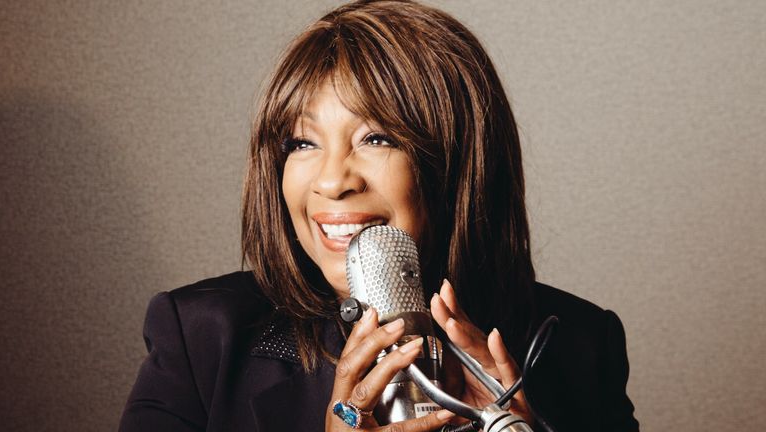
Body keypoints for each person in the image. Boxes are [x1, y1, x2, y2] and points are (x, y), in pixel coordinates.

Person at [119, 1, 639, 431]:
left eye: (376, 137)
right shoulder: (201, 339)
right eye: (302, 142)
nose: (331, 180)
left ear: (459, 164)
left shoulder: (580, 345)